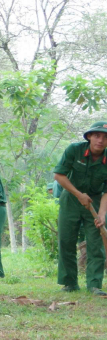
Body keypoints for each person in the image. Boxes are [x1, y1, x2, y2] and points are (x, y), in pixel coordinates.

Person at [52, 122, 107, 295]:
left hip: (96, 201)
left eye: (105, 137)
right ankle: (69, 283)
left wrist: (102, 213)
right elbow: (59, 175)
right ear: (89, 136)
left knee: (96, 243)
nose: (101, 140)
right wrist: (78, 194)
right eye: (97, 136)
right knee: (66, 240)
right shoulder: (74, 150)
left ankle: (94, 284)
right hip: (71, 198)